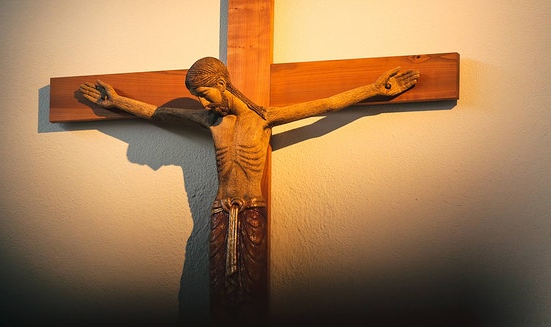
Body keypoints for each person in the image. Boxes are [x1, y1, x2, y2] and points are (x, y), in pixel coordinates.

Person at [79, 57, 419, 323]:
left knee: (250, 291)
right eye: (198, 97)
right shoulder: (211, 121)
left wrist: (374, 90)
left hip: (252, 209)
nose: (203, 103)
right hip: (219, 211)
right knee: (218, 291)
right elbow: (159, 114)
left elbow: (326, 104)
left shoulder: (263, 118)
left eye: (205, 94)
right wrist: (118, 102)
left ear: (222, 84)